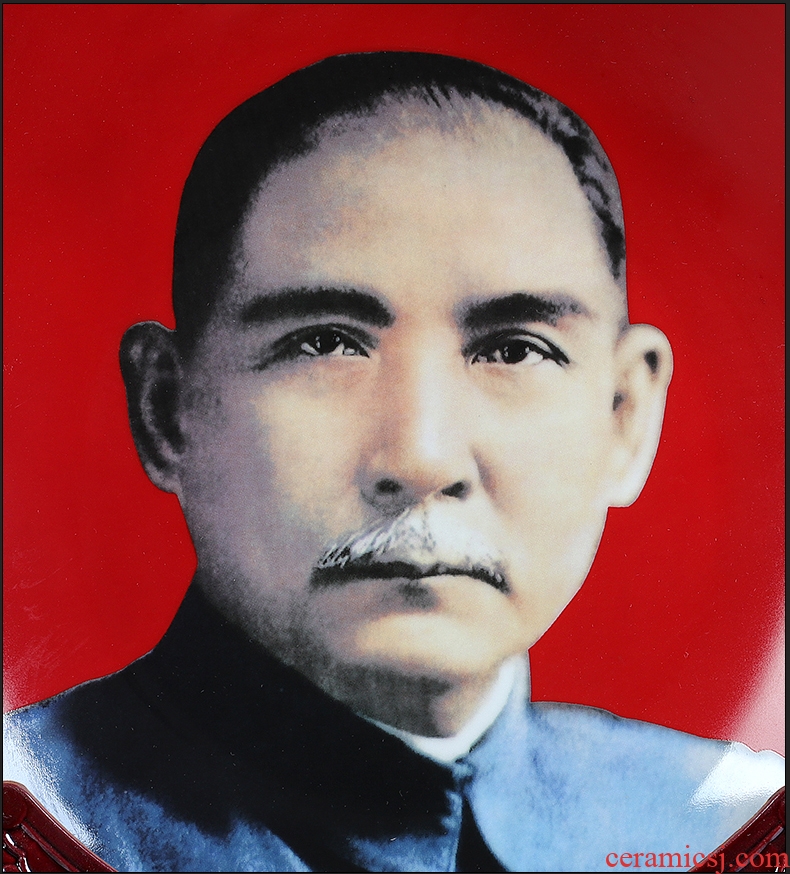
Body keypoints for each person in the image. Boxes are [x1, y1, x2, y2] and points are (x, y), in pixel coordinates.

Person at [4, 52, 784, 873]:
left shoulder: (722, 822)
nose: (421, 457)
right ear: (168, 410)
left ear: (625, 416)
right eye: (324, 343)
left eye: (514, 349)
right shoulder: (36, 817)